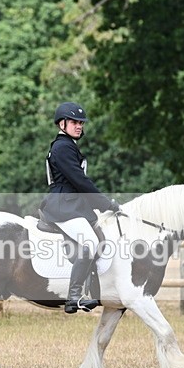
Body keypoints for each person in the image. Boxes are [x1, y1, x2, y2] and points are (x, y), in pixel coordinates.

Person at [39, 102, 120, 314]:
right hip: (63, 205)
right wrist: (105, 203)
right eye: (74, 122)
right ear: (62, 123)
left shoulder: (68, 146)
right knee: (90, 242)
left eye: (81, 123)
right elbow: (80, 181)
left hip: (73, 205)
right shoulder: (62, 147)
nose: (79, 126)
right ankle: (74, 297)